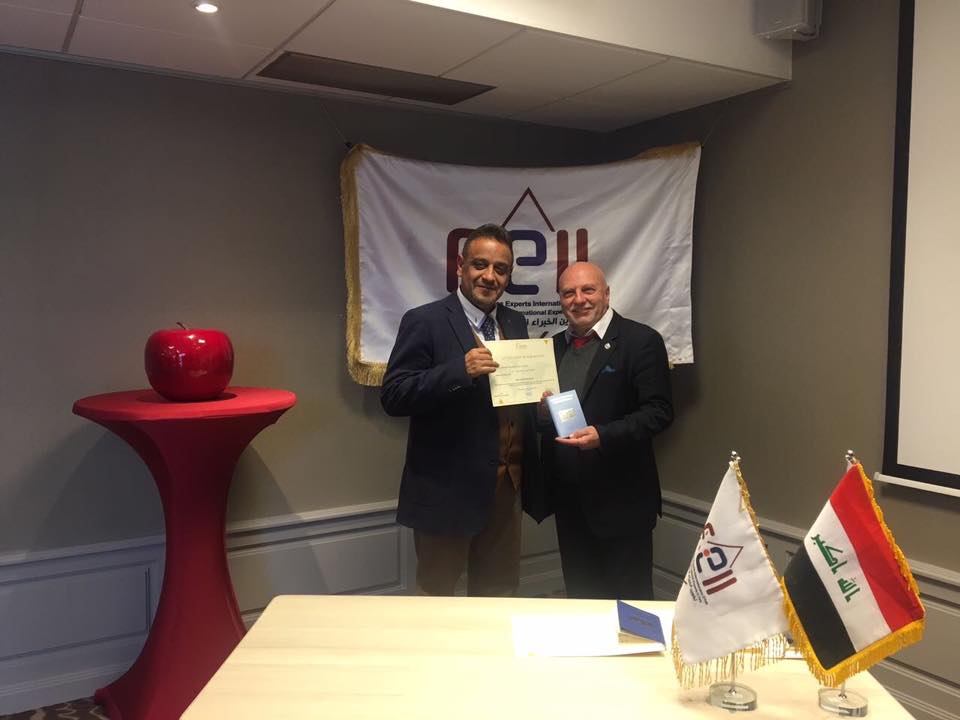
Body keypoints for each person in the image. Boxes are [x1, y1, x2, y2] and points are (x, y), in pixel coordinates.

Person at [380, 223, 543, 596]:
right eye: (480, 264)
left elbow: (512, 398)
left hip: (506, 487)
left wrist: (539, 401)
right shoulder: (424, 321)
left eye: (500, 269)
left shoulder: (514, 322)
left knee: (499, 594)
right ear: (460, 266)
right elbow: (394, 395)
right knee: (436, 597)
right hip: (445, 492)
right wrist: (458, 371)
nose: (489, 276)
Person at [539, 261, 673, 599]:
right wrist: (541, 414)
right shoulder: (552, 348)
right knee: (581, 600)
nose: (579, 299)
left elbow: (659, 412)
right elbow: (548, 418)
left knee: (630, 606)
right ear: (560, 300)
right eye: (568, 293)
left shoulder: (641, 341)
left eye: (588, 290)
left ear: (607, 294)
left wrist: (603, 435)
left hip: (622, 502)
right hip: (570, 503)